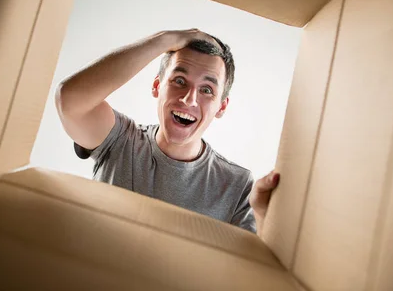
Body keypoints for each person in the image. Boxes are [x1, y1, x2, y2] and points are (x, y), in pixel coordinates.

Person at [55, 29, 279, 234]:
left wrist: (261, 217)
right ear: (157, 86)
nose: (188, 99)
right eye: (179, 80)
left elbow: (247, 267)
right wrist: (166, 40)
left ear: (221, 106)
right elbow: (69, 99)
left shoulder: (237, 185)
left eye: (207, 90)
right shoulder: (120, 140)